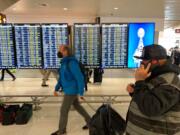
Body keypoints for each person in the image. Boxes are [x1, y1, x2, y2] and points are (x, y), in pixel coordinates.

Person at [126, 45, 180, 135]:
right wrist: (135, 91)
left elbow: (151, 108)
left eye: (144, 60)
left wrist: (139, 82)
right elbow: (148, 97)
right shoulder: (155, 76)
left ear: (155, 61)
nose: (142, 63)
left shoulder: (171, 83)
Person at [51, 45, 91, 135]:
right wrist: (56, 88)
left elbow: (79, 77)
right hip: (68, 89)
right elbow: (61, 78)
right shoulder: (64, 63)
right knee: (78, 106)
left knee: (63, 110)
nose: (58, 52)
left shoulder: (72, 63)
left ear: (65, 51)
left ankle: (62, 130)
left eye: (60, 50)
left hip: (71, 90)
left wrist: (81, 92)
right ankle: (90, 122)